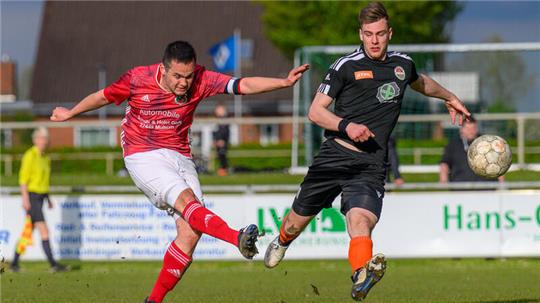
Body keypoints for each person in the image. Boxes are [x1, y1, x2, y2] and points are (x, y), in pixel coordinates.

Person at [50, 40, 308, 303]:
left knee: (189, 234)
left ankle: (153, 301)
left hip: (181, 155)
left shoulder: (201, 78)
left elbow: (240, 85)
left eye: (187, 76)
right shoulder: (138, 78)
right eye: (177, 76)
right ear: (163, 68)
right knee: (187, 202)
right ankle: (237, 237)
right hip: (143, 154)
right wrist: (71, 113)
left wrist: (283, 83)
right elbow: (103, 96)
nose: (184, 83)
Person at [263, 2, 471, 301]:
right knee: (295, 222)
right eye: (369, 34)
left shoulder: (402, 65)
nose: (375, 40)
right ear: (361, 34)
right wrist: (346, 126)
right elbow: (315, 112)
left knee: (361, 221)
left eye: (381, 33)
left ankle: (362, 275)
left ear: (390, 33)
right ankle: (282, 240)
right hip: (334, 155)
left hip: (371, 163)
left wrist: (450, 97)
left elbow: (420, 82)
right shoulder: (344, 66)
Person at [10, 127, 69, 273]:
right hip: (32, 197)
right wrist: (25, 199)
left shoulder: (45, 157)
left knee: (28, 232)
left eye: (46, 139)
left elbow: (44, 181)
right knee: (44, 231)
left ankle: (14, 263)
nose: (44, 141)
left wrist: (48, 198)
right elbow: (23, 180)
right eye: (41, 138)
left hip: (41, 197)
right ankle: (53, 264)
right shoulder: (30, 155)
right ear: (35, 140)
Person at [440, 117, 504, 184]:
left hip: (485, 187)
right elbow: (444, 163)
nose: (471, 131)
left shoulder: (486, 143)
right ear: (461, 129)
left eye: (473, 128)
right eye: (468, 129)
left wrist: (501, 183)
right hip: (460, 187)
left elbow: (498, 163)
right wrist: (443, 179)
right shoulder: (453, 145)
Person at [212, 103, 230, 176]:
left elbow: (225, 132)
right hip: (218, 140)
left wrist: (222, 140)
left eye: (220, 110)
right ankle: (222, 169)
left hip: (223, 141)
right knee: (219, 155)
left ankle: (224, 170)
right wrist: (215, 140)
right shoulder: (216, 120)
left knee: (222, 154)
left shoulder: (225, 121)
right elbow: (214, 131)